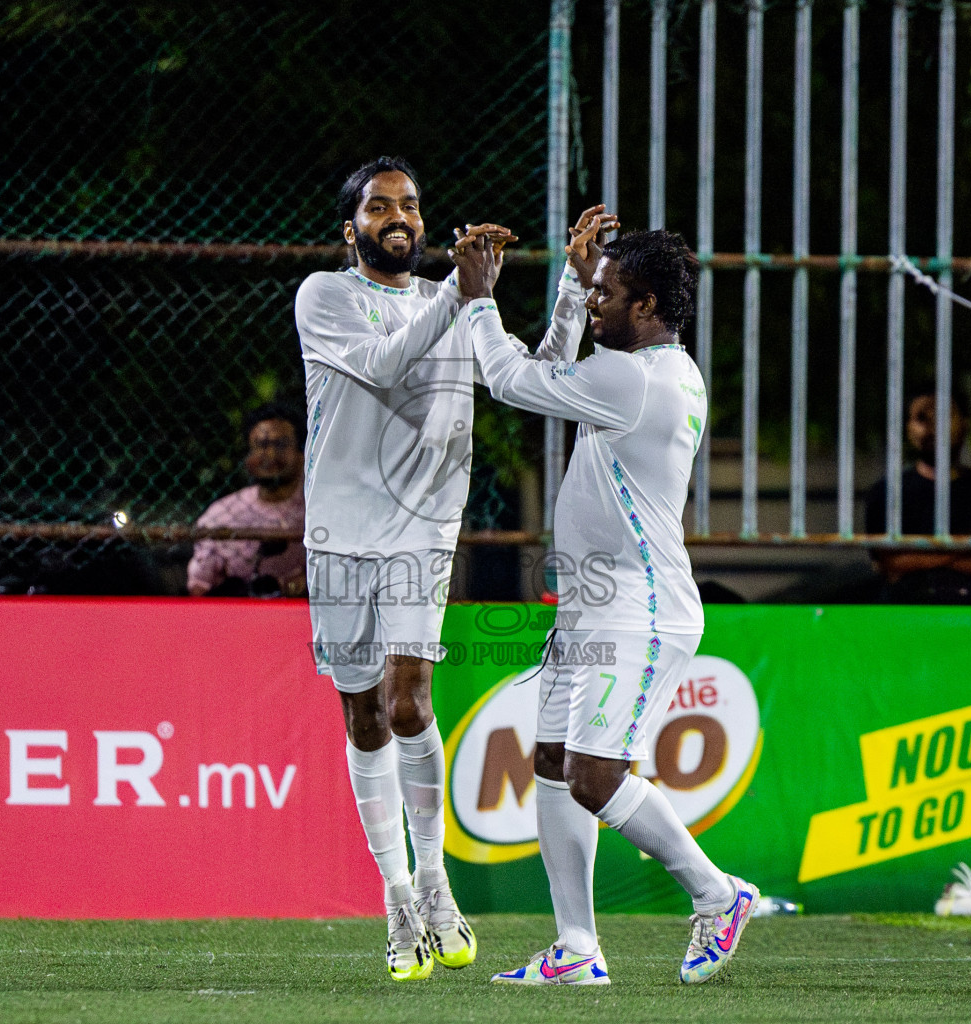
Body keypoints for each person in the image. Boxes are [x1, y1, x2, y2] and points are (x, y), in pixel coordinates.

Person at [294, 155, 590, 982]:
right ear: (350, 226)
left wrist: (571, 284)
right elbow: (386, 365)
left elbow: (533, 376)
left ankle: (434, 883)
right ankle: (394, 895)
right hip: (340, 535)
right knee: (362, 718)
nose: (400, 215)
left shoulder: (450, 300)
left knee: (409, 699)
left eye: (412, 204)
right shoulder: (324, 296)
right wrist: (465, 295)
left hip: (422, 530)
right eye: (381, 205)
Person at [462, 223, 758, 986]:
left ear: (648, 303)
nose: (597, 301)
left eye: (607, 293)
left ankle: (717, 895)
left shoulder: (636, 380)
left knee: (594, 776)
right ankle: (576, 947)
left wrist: (477, 300)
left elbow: (510, 380)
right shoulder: (643, 367)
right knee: (555, 764)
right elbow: (550, 368)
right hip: (595, 607)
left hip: (640, 609)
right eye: (593, 290)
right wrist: (569, 283)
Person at [862, 387, 971, 603]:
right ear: (908, 429)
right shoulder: (886, 493)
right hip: (909, 616)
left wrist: (922, 555)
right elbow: (891, 563)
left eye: (943, 415)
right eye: (922, 418)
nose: (933, 426)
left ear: (966, 422)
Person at [187, 404, 308, 598]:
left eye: (280, 445)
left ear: (302, 454)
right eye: (261, 446)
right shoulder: (222, 514)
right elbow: (199, 586)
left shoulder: (318, 508)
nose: (269, 455)